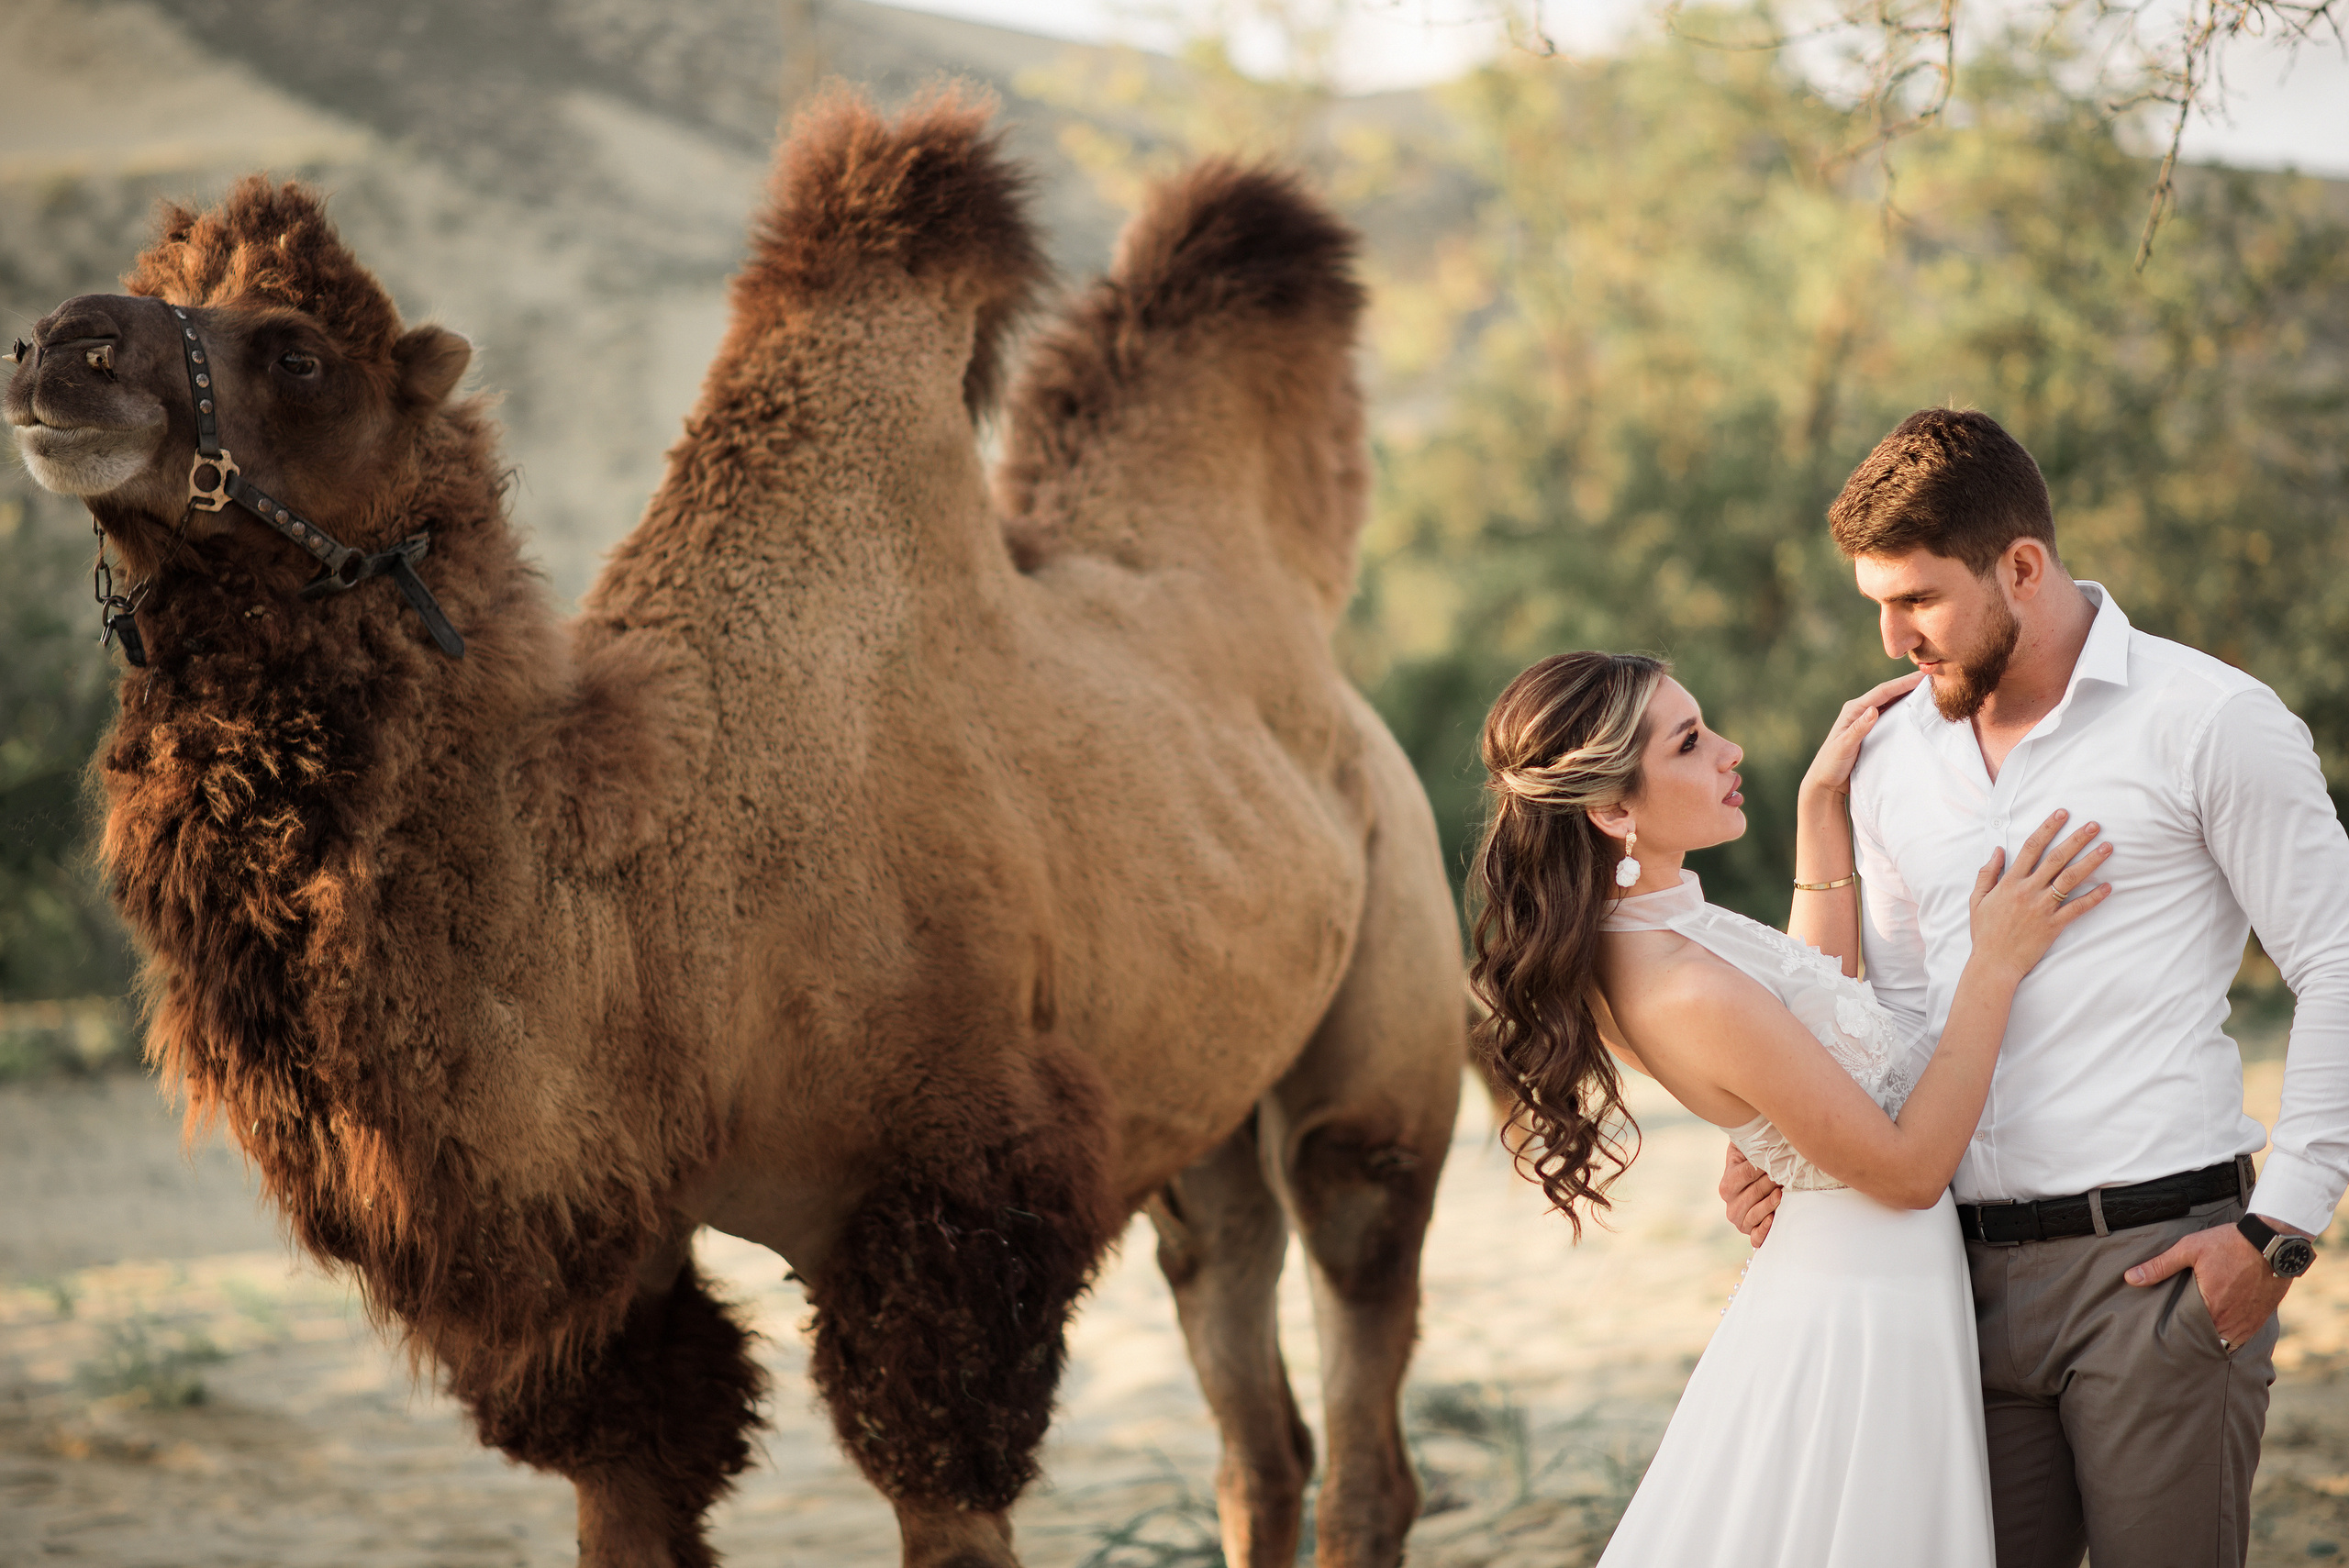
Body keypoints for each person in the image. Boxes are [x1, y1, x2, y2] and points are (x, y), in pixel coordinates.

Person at [1720, 406, 2349, 1568]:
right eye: (1876, 603)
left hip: (2156, 1269)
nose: (1893, 635)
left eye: (1917, 599)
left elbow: (2336, 958)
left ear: (2022, 565)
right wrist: (1790, 1146)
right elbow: (1903, 1015)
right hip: (1947, 1277)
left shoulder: (2208, 719)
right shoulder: (1892, 756)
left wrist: (2282, 1229)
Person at [1468, 648, 2111, 1567]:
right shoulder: (1681, 982)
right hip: (1863, 1310)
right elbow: (1906, 1169)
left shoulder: (1657, 933)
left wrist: (1821, 814)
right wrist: (1994, 962)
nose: (1728, 751)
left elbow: (1813, 1008)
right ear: (1613, 810)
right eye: (1690, 743)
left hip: (1854, 1275)